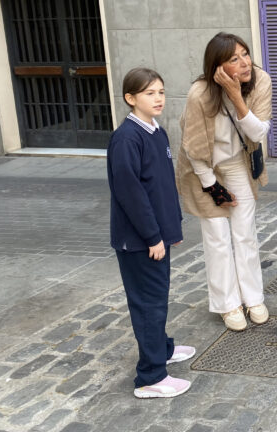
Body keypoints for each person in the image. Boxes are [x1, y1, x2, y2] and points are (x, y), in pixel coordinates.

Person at [107, 67, 194, 399]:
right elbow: (131, 194)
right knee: (148, 304)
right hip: (140, 241)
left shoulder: (157, 132)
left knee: (158, 300)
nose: (158, 98)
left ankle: (163, 349)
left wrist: (171, 230)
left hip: (158, 235)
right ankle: (151, 377)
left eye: (160, 91)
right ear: (130, 99)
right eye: (149, 93)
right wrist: (152, 237)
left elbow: (161, 188)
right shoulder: (127, 138)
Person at [177, 33, 272, 332]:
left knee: (245, 233)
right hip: (205, 167)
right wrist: (212, 187)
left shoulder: (260, 81)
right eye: (234, 59)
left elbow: (257, 133)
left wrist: (235, 95)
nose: (245, 63)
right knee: (217, 236)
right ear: (217, 67)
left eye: (245, 54)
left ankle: (253, 298)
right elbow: (192, 147)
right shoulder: (200, 94)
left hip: (238, 163)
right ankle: (227, 303)